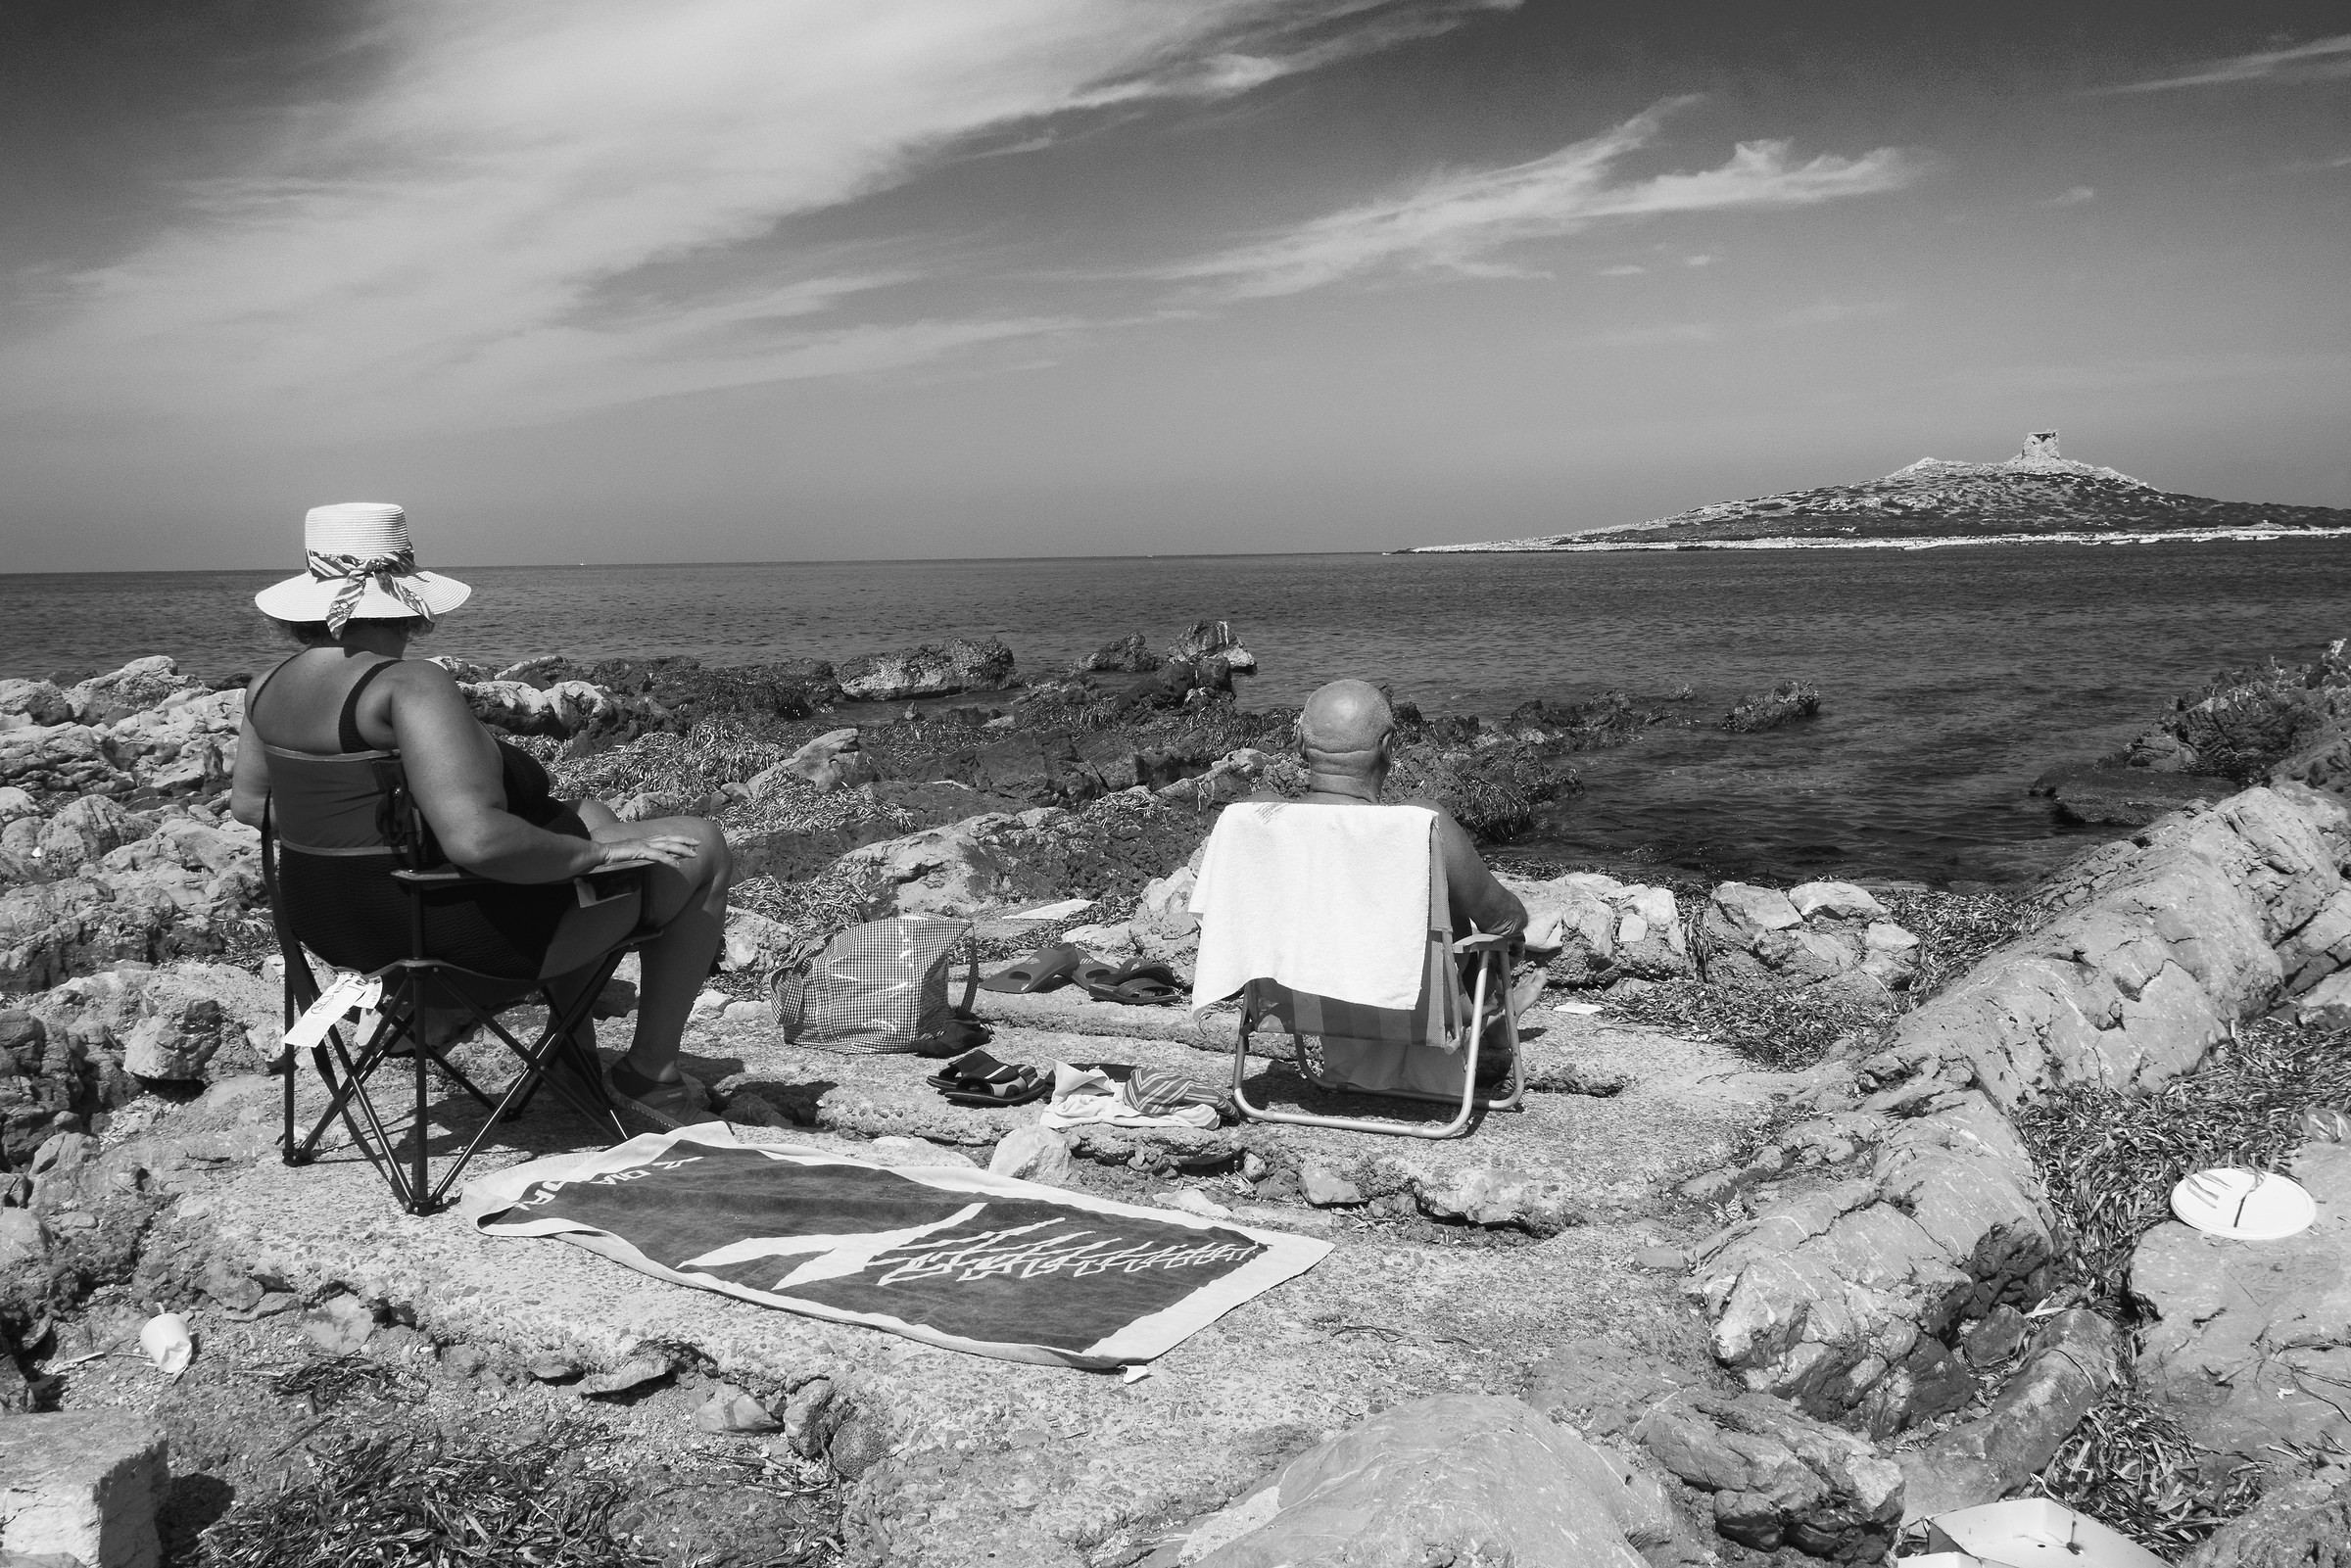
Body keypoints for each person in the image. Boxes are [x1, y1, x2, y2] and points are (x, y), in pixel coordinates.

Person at [228, 501, 726, 1125]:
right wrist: (595, 856)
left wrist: (386, 815)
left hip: (337, 931)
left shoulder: (266, 685)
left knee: (589, 811)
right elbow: (479, 842)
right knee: (701, 844)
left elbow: (251, 805)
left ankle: (575, 1053)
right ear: (406, 597)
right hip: (451, 944)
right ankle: (649, 1073)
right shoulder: (407, 685)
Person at [1284, 678, 1528, 941]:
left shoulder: (1254, 823)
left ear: (1300, 742)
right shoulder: (1422, 823)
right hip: (1407, 982)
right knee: (1447, 896)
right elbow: (1504, 918)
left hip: (1286, 980)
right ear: (1388, 747)